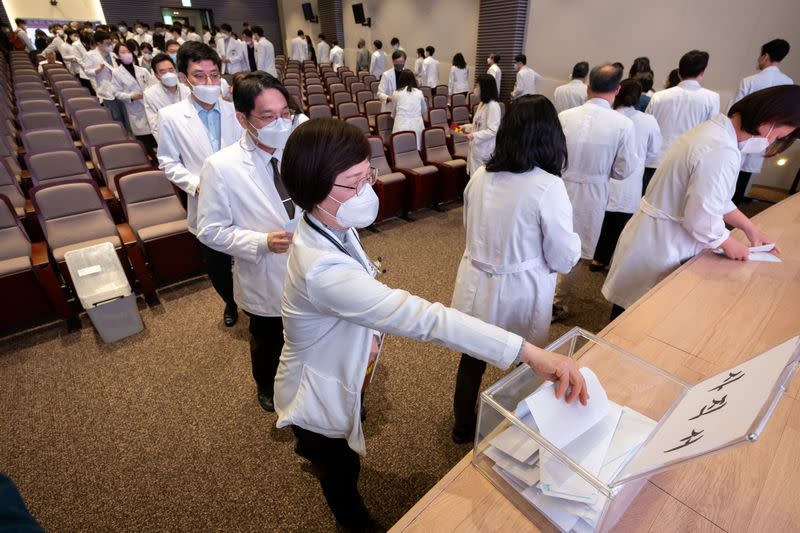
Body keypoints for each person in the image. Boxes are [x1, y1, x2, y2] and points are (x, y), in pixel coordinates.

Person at [275, 117, 589, 532]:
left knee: (336, 450)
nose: (367, 190)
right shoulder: (321, 269)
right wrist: (527, 352)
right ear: (315, 188)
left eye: (367, 176)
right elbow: (426, 320)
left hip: (338, 361)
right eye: (354, 183)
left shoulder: (327, 222)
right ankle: (353, 521)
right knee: (339, 467)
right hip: (315, 387)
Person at [603, 85, 798, 319]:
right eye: (780, 136)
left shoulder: (713, 132)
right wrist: (728, 242)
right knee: (635, 320)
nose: (774, 141)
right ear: (772, 120)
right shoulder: (720, 149)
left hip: (655, 236)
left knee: (630, 312)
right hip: (663, 243)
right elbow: (702, 216)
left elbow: (716, 198)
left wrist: (749, 228)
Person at [451, 95, 582, 443]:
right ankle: (516, 431)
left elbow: (471, 227)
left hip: (477, 281)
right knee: (529, 361)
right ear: (550, 137)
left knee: (473, 355)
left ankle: (462, 427)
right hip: (521, 287)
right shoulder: (547, 185)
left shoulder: (480, 175)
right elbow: (563, 256)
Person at [197, 72, 308, 412]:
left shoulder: (298, 149)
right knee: (269, 339)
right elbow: (210, 229)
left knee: (310, 330)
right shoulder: (222, 166)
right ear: (243, 118)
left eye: (285, 113)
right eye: (268, 116)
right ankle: (267, 387)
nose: (280, 122)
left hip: (309, 262)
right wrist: (260, 241)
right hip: (265, 270)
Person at [157, 42, 244, 327]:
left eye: (214, 75)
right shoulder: (171, 117)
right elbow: (168, 162)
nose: (209, 82)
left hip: (242, 196)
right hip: (204, 199)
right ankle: (230, 303)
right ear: (184, 78)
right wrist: (196, 185)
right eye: (199, 75)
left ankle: (253, 300)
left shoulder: (235, 111)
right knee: (216, 262)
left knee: (250, 253)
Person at [558, 64, 638, 262]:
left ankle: (549, 287)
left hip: (560, 185)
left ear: (588, 86)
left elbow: (552, 155)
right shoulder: (623, 124)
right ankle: (561, 290)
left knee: (555, 234)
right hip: (594, 190)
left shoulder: (564, 116)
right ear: (617, 89)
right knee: (579, 243)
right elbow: (624, 169)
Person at [591, 79, 661, 271]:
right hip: (631, 180)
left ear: (617, 92)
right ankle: (612, 261)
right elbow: (655, 153)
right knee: (621, 225)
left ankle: (594, 256)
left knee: (600, 220)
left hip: (603, 177)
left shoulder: (607, 116)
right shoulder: (648, 121)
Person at [728, 39, 793, 204]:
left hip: (743, 131)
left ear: (765, 56)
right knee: (748, 170)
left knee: (732, 168)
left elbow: (734, 109)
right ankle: (738, 201)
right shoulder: (788, 84)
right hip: (769, 135)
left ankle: (726, 201)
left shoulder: (750, 81)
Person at [646, 50, 720, 169]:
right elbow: (709, 133)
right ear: (702, 73)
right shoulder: (712, 99)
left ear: (679, 72)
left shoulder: (658, 96)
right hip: (685, 163)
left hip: (654, 160)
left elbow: (647, 128)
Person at [112, 42, 157, 158]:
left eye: (128, 51)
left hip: (149, 105)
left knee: (156, 134)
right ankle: (150, 159)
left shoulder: (142, 70)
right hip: (135, 108)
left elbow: (154, 85)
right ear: (117, 55)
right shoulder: (117, 73)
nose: (127, 54)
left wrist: (149, 92)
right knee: (144, 137)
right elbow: (116, 93)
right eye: (123, 52)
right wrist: (130, 97)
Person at [86, 31, 131, 134]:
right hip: (106, 90)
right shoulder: (91, 55)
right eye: (107, 44)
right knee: (116, 117)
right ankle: (121, 136)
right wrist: (97, 70)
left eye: (110, 43)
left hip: (120, 88)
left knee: (126, 115)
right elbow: (88, 72)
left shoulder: (113, 54)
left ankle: (130, 135)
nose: (110, 45)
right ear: (99, 43)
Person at [143, 53, 190, 142]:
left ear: (175, 70)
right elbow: (156, 127)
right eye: (163, 72)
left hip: (191, 135)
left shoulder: (187, 89)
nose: (168, 74)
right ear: (157, 76)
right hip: (170, 140)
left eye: (171, 70)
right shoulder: (150, 95)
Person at [463, 74, 501, 176]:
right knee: (473, 178)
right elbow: (478, 124)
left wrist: (474, 135)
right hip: (476, 148)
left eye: (477, 86)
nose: (475, 88)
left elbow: (493, 130)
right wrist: (466, 127)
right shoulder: (482, 103)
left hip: (484, 149)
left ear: (484, 88)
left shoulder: (493, 106)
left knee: (480, 179)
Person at [390, 69, 427, 149]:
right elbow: (424, 110)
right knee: (415, 149)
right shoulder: (419, 92)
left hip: (401, 125)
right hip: (417, 125)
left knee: (401, 151)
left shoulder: (396, 93)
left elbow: (393, 112)